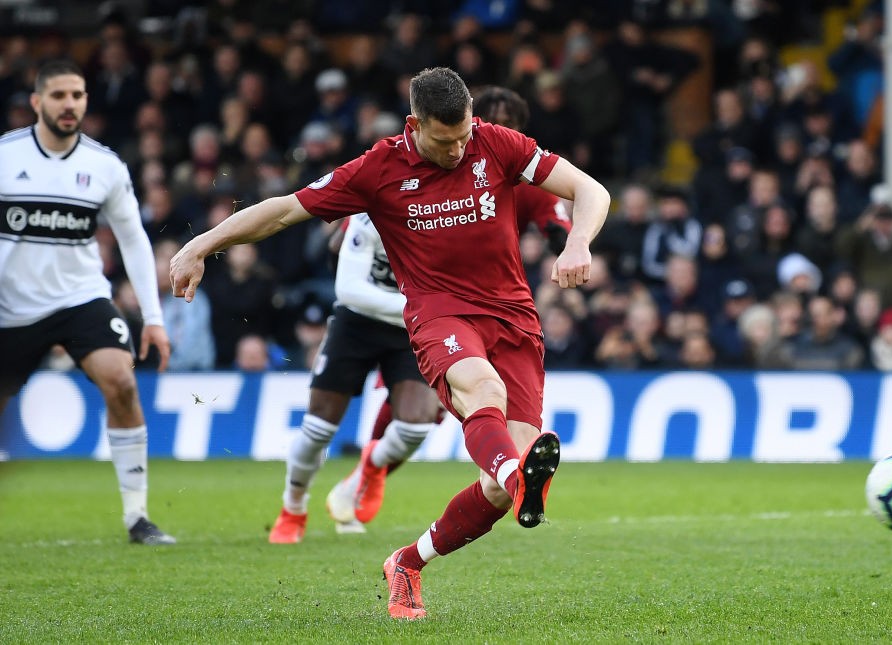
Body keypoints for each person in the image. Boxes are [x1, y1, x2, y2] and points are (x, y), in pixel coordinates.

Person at [169, 67, 609, 620]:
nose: (457, 151)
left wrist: (578, 244)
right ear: (414, 124)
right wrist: (199, 247)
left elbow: (590, 189)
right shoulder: (378, 168)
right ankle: (516, 477)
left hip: (515, 319)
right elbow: (283, 209)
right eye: (444, 141)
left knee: (496, 492)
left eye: (464, 136)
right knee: (483, 389)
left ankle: (408, 561)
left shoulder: (495, 143)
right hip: (439, 313)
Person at [315, 85, 575, 539]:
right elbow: (339, 223)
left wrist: (572, 248)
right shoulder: (406, 169)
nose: (468, 147)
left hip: (502, 309)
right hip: (434, 308)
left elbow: (558, 224)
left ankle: (373, 469)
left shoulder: (519, 172)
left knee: (430, 419)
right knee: (452, 398)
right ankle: (365, 472)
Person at [0, 60, 175, 545]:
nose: (69, 104)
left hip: (80, 298)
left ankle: (138, 517)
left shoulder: (104, 166)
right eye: (58, 96)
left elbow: (134, 240)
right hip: (11, 306)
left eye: (77, 95)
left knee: (121, 380)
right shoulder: (5, 156)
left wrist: (153, 319)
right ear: (37, 102)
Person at [268, 213, 443, 543]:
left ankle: (368, 468)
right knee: (318, 428)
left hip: (411, 330)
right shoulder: (371, 215)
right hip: (357, 325)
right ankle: (293, 508)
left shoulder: (451, 215)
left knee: (416, 425)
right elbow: (349, 290)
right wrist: (422, 305)